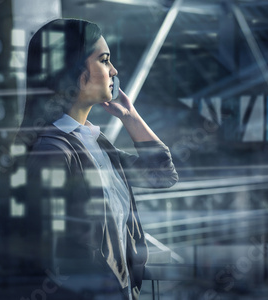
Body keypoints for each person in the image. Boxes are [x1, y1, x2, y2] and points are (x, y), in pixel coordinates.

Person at [17, 18, 178, 300]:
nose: (114, 71)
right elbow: (48, 257)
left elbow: (162, 176)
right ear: (79, 75)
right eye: (104, 61)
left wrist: (131, 117)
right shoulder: (53, 151)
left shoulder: (94, 142)